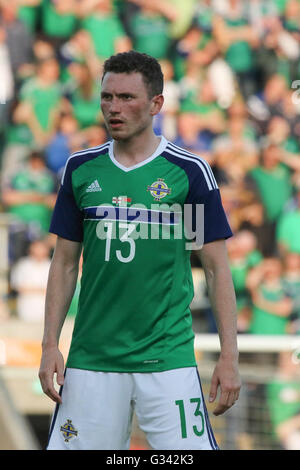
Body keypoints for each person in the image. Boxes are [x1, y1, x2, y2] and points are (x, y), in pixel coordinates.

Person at [39, 50, 241, 451]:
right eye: (107, 97)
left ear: (156, 104)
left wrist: (229, 356)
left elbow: (216, 269)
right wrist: (49, 346)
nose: (114, 108)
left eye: (127, 97)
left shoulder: (188, 173)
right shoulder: (81, 170)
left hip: (167, 358)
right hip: (92, 359)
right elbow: (63, 265)